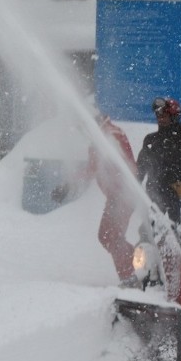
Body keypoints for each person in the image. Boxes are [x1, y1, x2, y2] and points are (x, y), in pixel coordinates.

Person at [52, 113, 140, 288]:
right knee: (106, 237)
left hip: (124, 195)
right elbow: (91, 169)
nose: (83, 131)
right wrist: (67, 186)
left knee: (112, 237)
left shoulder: (112, 134)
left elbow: (122, 162)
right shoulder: (97, 141)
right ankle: (143, 261)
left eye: (84, 127)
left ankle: (129, 279)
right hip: (115, 197)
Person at [136, 97, 181, 223]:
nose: (160, 119)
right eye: (158, 116)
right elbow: (140, 167)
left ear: (174, 117)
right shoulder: (151, 140)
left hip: (178, 197)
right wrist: (132, 185)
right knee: (149, 233)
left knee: (178, 234)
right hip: (154, 195)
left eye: (164, 116)